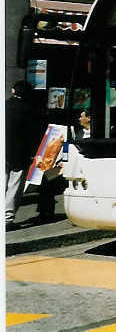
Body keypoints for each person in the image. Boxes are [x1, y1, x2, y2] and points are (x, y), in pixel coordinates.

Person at [5, 81, 42, 230]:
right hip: (19, 154)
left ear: (13, 91)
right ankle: (7, 218)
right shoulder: (28, 110)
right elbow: (31, 135)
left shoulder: (5, 106)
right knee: (14, 185)